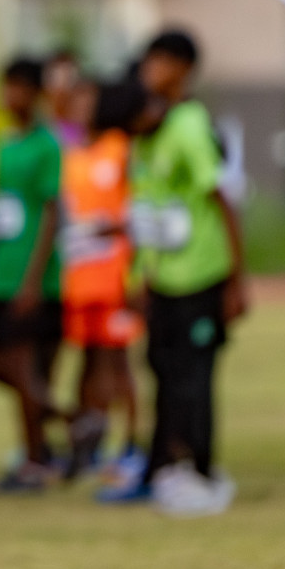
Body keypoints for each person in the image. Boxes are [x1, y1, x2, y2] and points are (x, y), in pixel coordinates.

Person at [112, 28, 248, 515]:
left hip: (201, 274)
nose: (150, 70)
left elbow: (222, 200)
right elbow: (150, 216)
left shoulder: (189, 126)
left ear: (181, 68)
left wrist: (236, 278)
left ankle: (204, 470)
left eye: (158, 62)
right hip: (164, 278)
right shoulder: (147, 133)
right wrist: (139, 277)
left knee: (195, 376)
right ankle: (168, 465)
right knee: (164, 372)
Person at [0, 56, 63, 493]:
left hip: (34, 275)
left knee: (22, 366)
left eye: (16, 87)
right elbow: (2, 212)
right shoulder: (5, 143)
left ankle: (35, 460)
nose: (8, 96)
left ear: (34, 92)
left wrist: (33, 279)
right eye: (5, 86)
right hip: (3, 270)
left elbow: (52, 211)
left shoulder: (47, 145)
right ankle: (65, 421)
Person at [59, 79, 146, 482]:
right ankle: (91, 445)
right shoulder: (73, 157)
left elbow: (140, 205)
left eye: (88, 99)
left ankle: (131, 445)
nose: (81, 107)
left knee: (120, 364)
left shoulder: (121, 149)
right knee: (90, 365)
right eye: (76, 100)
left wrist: (116, 232)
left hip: (116, 275)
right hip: (82, 278)